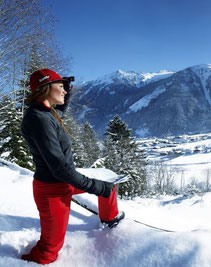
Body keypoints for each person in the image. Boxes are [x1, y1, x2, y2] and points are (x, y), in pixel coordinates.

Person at [20, 69, 125, 264]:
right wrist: (96, 187)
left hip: (64, 181)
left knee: (109, 183)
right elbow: (59, 168)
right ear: (45, 87)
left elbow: (58, 112)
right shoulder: (38, 119)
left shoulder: (46, 112)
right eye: (60, 87)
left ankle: (110, 219)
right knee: (50, 250)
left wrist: (68, 90)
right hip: (52, 190)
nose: (65, 91)